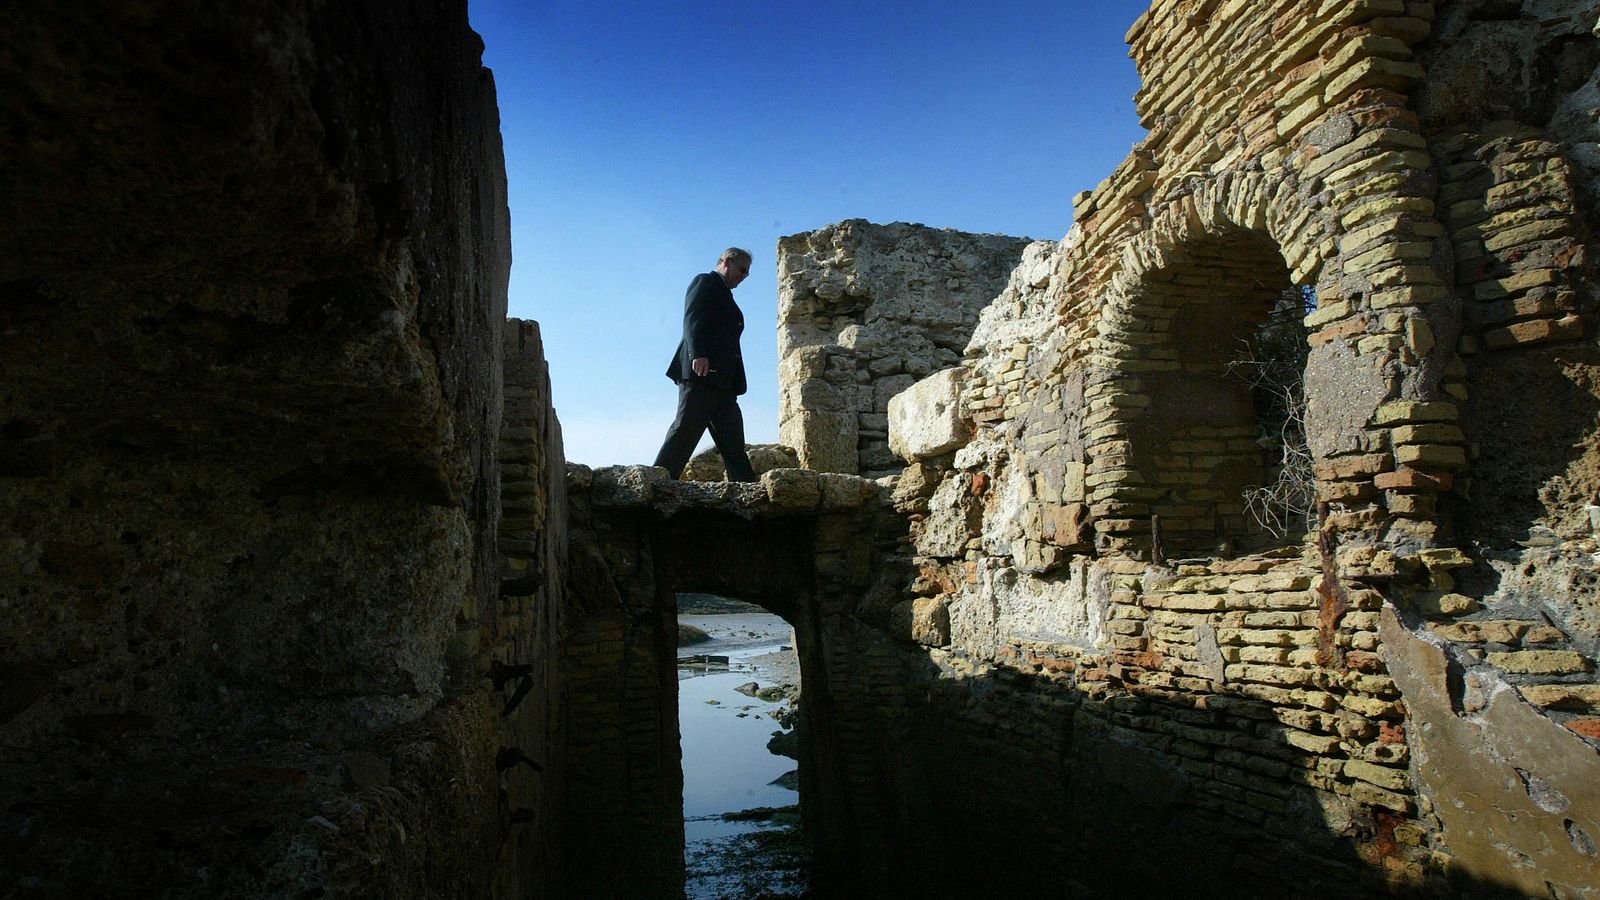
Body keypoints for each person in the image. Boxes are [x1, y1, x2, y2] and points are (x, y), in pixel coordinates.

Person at [652, 247, 758, 482]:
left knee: (733, 441)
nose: (744, 277)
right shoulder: (706, 282)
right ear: (726, 262)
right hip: (702, 374)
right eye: (742, 270)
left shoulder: (725, 294)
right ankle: (657, 484)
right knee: (685, 430)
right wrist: (697, 354)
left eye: (747, 274)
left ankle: (747, 491)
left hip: (724, 383)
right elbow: (693, 318)